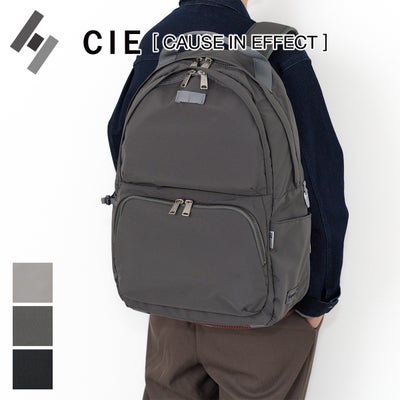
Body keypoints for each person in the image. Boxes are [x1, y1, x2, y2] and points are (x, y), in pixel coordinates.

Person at [107, 1, 349, 398]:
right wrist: (318, 299)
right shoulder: (275, 48)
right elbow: (323, 180)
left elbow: (123, 149)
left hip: (170, 306)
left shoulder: (159, 43)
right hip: (261, 311)